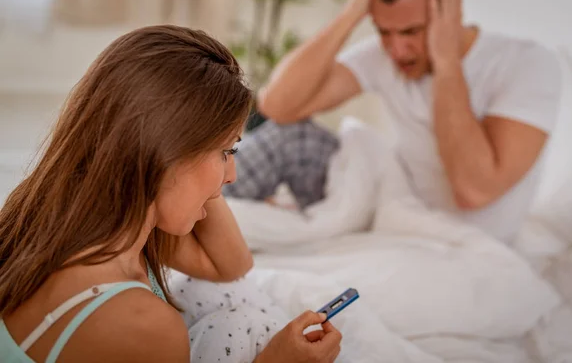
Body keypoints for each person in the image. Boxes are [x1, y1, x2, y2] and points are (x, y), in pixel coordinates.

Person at [0, 25, 341, 362]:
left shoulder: (85, 223)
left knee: (232, 303)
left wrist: (203, 175)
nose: (232, 175)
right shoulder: (144, 328)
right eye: (227, 152)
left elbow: (232, 266)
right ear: (167, 153)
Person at [223, 0, 561, 243]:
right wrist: (351, 13)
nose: (397, 50)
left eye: (412, 32)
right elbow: (277, 105)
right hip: (385, 199)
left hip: (452, 239)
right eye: (384, 32)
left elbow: (472, 191)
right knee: (291, 136)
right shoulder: (386, 56)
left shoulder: (526, 64)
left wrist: (446, 62)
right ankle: (193, 211)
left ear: (451, 10)